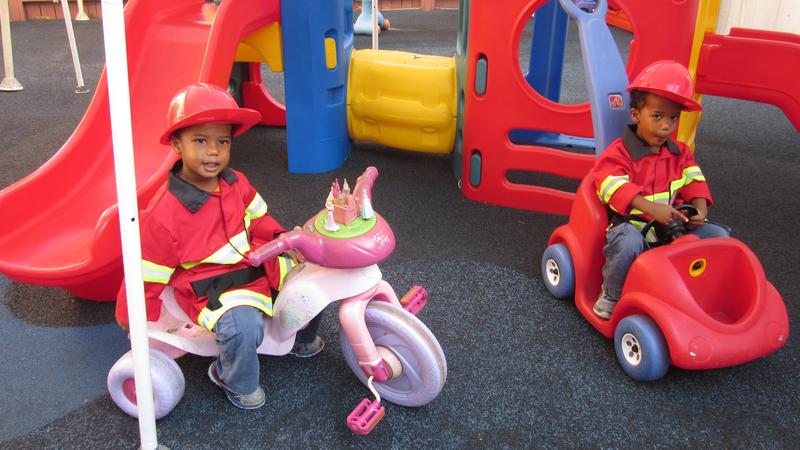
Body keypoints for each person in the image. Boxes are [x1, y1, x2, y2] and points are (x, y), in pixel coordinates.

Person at [115, 83, 324, 409]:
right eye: (200, 141)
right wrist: (134, 314)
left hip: (254, 263)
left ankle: (300, 337)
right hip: (211, 285)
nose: (213, 151)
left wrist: (283, 240)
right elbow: (147, 272)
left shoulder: (235, 181)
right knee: (243, 327)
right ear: (177, 145)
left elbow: (258, 218)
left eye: (222, 142)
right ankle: (233, 378)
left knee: (313, 279)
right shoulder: (164, 214)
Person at [591, 60, 730, 320]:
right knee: (628, 243)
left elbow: (693, 179)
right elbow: (611, 185)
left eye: (673, 118)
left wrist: (699, 207)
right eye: (657, 116)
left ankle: (704, 292)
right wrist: (651, 208)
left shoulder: (679, 152)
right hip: (632, 224)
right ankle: (610, 294)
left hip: (672, 222)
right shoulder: (619, 154)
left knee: (719, 235)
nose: (666, 126)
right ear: (635, 115)